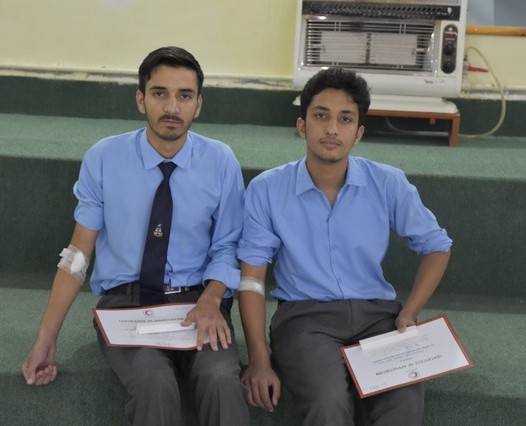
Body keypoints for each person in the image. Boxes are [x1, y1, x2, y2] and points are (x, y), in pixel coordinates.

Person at [22, 46, 250, 426]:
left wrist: (212, 299)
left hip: (199, 301)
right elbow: (78, 253)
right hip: (127, 303)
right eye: (160, 93)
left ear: (199, 105)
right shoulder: (104, 157)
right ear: (141, 99)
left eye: (185, 96)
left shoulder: (221, 161)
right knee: (153, 383)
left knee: (221, 380)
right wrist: (47, 337)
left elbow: (228, 247)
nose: (172, 107)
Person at [237, 67, 452, 425]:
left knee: (403, 403)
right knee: (328, 402)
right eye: (321, 116)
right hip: (304, 320)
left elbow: (437, 246)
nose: (332, 129)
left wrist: (410, 311)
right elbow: (251, 280)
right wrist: (259, 359)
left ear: (359, 133)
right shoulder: (266, 189)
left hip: (379, 317)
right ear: (302, 125)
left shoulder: (388, 182)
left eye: (346, 119)